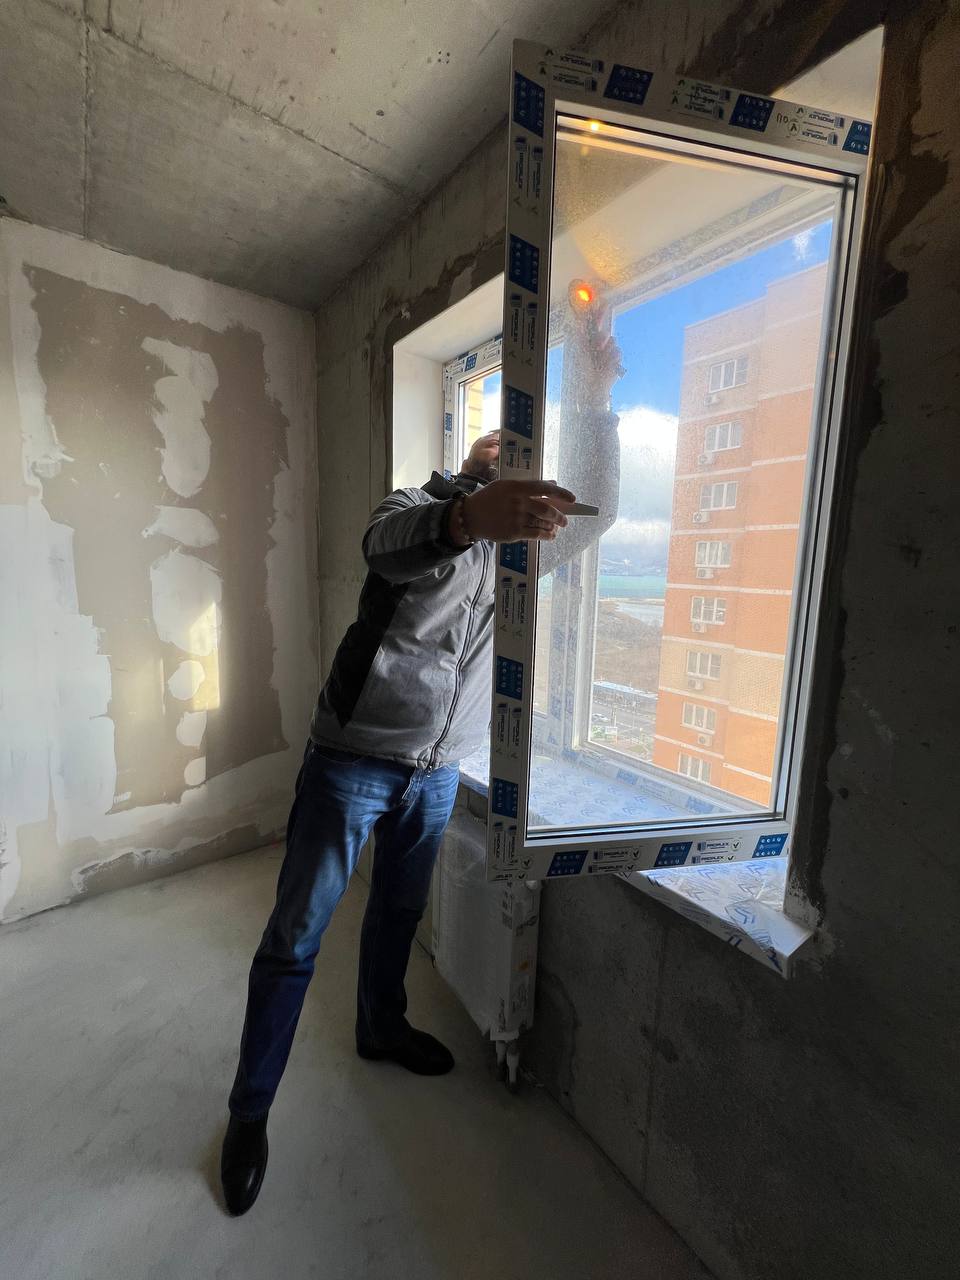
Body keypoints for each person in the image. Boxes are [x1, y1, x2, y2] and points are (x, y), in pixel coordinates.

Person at [220, 328, 622, 1217]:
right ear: (472, 451)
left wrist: (596, 394)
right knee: (295, 937)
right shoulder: (419, 504)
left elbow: (603, 513)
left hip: (436, 774)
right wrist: (467, 513)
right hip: (352, 760)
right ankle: (249, 1114)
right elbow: (384, 546)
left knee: (400, 913)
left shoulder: (524, 547)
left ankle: (381, 1026)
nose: (503, 445)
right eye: (493, 439)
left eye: (519, 446)